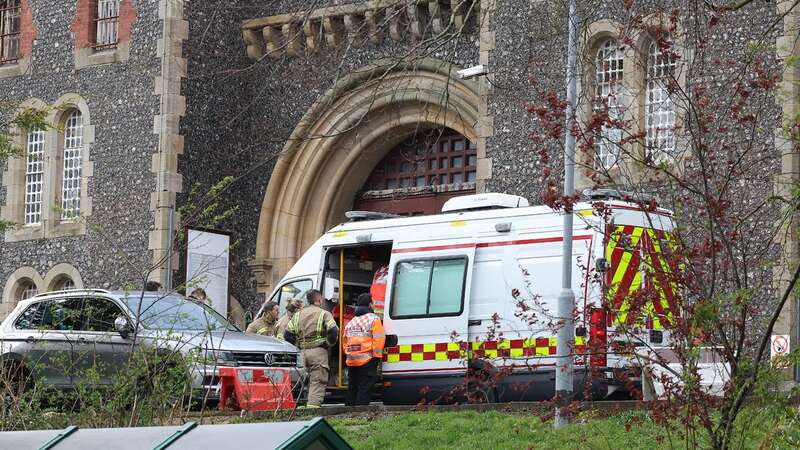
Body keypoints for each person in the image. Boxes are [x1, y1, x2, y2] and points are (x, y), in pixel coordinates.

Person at [284, 289, 339, 408]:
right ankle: (312, 409)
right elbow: (333, 331)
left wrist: (297, 347)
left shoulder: (297, 315)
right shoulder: (324, 314)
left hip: (301, 352)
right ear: (319, 300)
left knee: (299, 381)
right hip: (318, 352)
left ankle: (296, 406)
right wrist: (329, 344)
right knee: (317, 381)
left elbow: (287, 334)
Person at [343, 293, 385, 406]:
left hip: (351, 360)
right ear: (370, 305)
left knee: (352, 388)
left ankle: (348, 413)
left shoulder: (352, 322)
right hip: (367, 359)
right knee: (364, 388)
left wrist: (349, 354)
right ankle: (359, 415)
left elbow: (345, 341)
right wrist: (376, 357)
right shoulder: (374, 319)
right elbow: (379, 339)